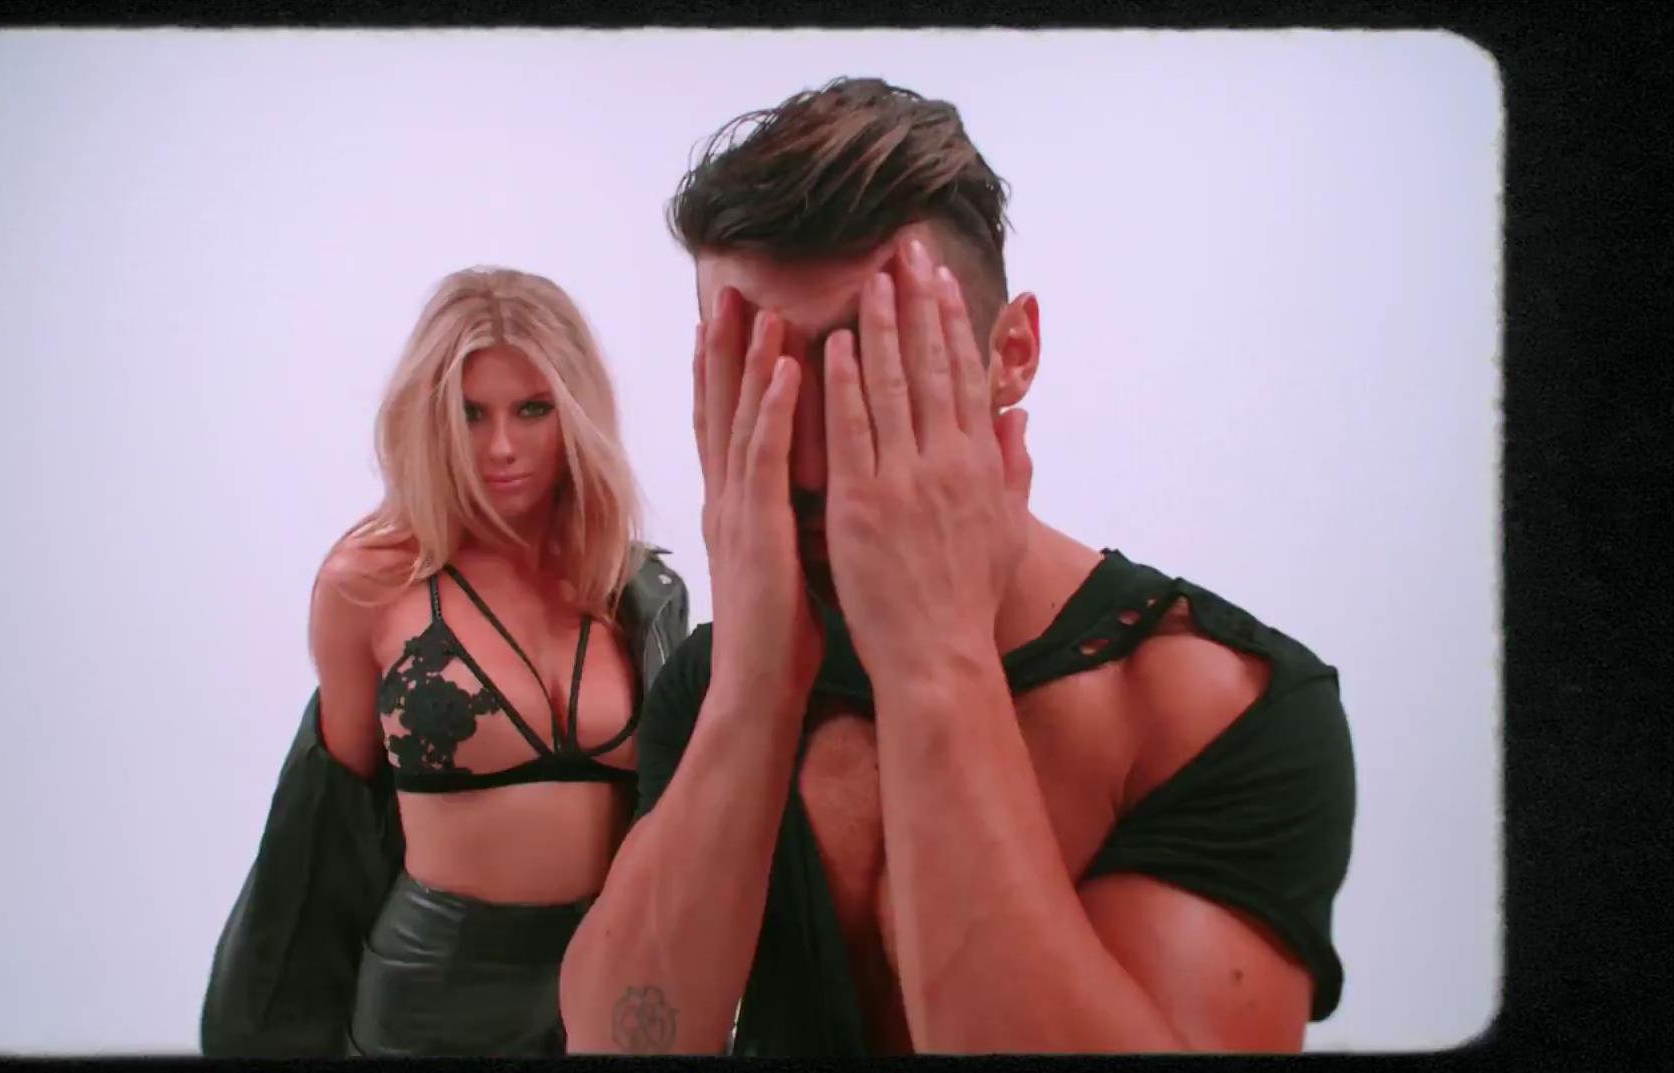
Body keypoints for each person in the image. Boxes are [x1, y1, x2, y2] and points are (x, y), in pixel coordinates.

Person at [558, 77, 1356, 1055]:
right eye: (761, 376)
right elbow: (624, 1039)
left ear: (1011, 352)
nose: (804, 456)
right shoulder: (713, 681)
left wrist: (934, 664)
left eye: (868, 363)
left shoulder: (1214, 705)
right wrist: (753, 690)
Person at [199, 267, 690, 1057]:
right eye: (470, 413)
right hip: (433, 995)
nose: (501, 447)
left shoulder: (636, 591)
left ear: (576, 412)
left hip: (609, 985)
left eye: (532, 409)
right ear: (430, 418)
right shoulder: (369, 585)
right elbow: (328, 836)